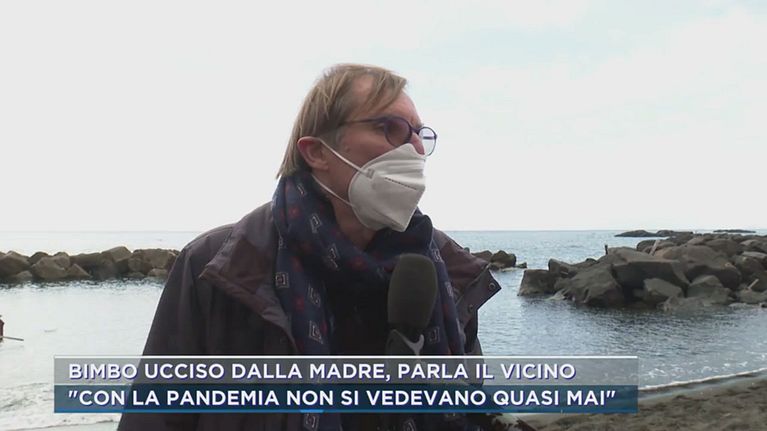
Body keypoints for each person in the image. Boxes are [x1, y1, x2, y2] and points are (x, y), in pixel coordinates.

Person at [118, 64, 503, 431]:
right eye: (390, 128)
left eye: (420, 134)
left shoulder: (442, 269)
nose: (416, 148)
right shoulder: (222, 264)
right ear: (317, 152)